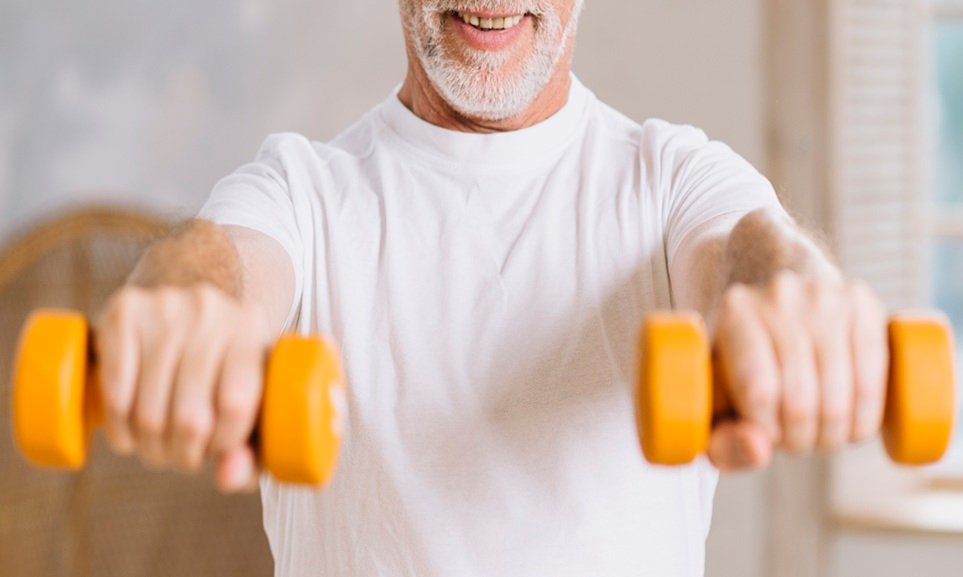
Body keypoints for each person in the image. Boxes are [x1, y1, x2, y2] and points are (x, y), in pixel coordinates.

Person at [95, 1, 888, 575]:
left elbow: (748, 249)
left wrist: (791, 298)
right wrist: (185, 304)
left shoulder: (670, 177)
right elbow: (223, 258)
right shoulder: (301, 189)